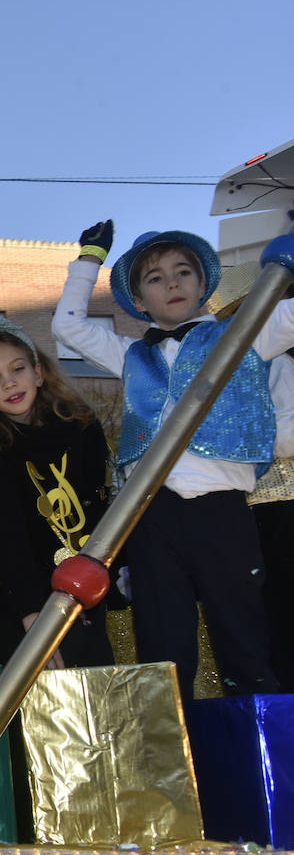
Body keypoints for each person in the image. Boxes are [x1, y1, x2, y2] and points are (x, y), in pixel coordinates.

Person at [52, 222, 288, 695]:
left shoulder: (245, 334)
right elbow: (67, 327)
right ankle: (174, 758)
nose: (173, 283)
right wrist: (88, 260)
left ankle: (261, 757)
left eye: (184, 272)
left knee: (243, 636)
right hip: (149, 514)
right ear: (137, 301)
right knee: (163, 646)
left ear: (204, 284)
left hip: (221, 509)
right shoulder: (130, 355)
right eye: (155, 278)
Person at [0, 318, 114, 668]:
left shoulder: (83, 428)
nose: (9, 382)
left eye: (17, 369)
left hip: (96, 572)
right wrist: (31, 609)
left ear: (38, 372)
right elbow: (6, 539)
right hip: (35, 588)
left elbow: (102, 502)